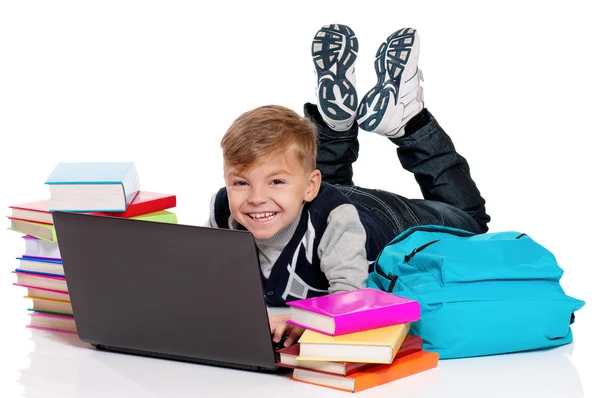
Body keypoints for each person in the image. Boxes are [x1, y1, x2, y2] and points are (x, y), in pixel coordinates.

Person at [205, 24, 490, 347]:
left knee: (471, 224)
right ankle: (332, 126)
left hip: (386, 217)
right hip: (324, 197)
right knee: (303, 176)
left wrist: (304, 321)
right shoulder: (225, 211)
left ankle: (409, 120)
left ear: (311, 187)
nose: (256, 198)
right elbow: (204, 279)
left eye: (274, 181)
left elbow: (351, 299)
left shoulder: (335, 222)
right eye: (240, 183)